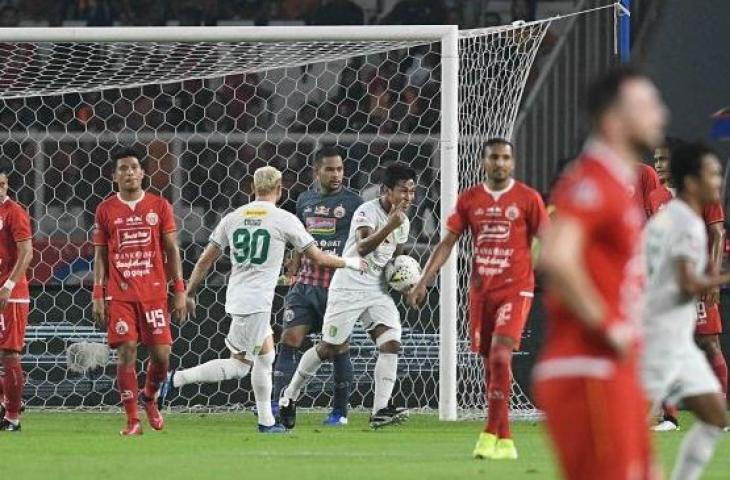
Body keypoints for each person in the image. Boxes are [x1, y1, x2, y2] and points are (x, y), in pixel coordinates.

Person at [534, 66, 667, 480]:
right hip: (586, 366)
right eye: (647, 105)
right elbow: (556, 255)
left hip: (614, 368)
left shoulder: (621, 182)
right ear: (613, 120)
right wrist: (609, 325)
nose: (660, 113)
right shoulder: (591, 180)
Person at [161, 166, 364, 433]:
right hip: (255, 302)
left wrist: (189, 293)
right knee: (264, 361)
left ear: (252, 188)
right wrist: (351, 262)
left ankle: (174, 380)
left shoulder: (233, 217)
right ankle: (266, 422)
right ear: (280, 189)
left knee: (239, 365)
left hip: (238, 297)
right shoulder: (284, 219)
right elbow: (318, 258)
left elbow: (205, 260)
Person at [407, 138, 547, 460]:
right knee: (488, 361)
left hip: (516, 289)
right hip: (482, 292)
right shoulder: (470, 199)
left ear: (512, 162)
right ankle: (502, 437)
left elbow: (547, 239)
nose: (500, 163)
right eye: (494, 158)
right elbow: (447, 242)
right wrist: (423, 281)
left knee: (501, 356)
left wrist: (536, 269)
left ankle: (496, 434)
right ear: (484, 162)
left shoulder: (528, 199)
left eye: (505, 158)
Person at [278, 163, 416, 430]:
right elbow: (363, 247)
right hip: (349, 286)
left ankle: (380, 410)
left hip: (376, 290)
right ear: (387, 190)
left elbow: (392, 259)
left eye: (412, 192)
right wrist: (388, 226)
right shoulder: (367, 211)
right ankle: (289, 395)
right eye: (403, 191)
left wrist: (405, 281)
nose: (408, 198)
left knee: (391, 343)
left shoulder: (404, 222)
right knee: (329, 347)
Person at [642, 141, 728, 479]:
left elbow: (714, 239)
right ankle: (665, 418)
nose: (717, 180)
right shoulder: (670, 211)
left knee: (714, 418)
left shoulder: (694, 209)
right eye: (713, 173)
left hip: (677, 312)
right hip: (665, 313)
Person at [92, 146, 188, 436]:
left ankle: (149, 397)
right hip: (120, 294)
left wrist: (180, 289)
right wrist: (98, 293)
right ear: (114, 175)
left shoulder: (159, 206)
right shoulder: (106, 209)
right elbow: (100, 255)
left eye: (134, 167)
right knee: (127, 352)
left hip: (155, 293)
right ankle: (132, 420)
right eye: (123, 168)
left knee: (162, 356)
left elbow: (172, 249)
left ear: (143, 172)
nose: (129, 172)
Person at [273, 146, 363, 426]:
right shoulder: (304, 199)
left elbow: (363, 239)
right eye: (330, 169)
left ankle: (339, 412)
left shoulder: (354, 202)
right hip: (306, 284)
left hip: (338, 286)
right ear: (316, 171)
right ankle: (280, 403)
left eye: (340, 169)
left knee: (337, 346)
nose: (336, 174)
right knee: (290, 339)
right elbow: (301, 235)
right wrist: (295, 260)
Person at [0, 163, 33, 432]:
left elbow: (27, 253)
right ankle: (8, 396)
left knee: (10, 352)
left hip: (11, 293)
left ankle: (12, 416)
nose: (1, 189)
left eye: (3, 184)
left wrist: (9, 285)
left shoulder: (15, 212)